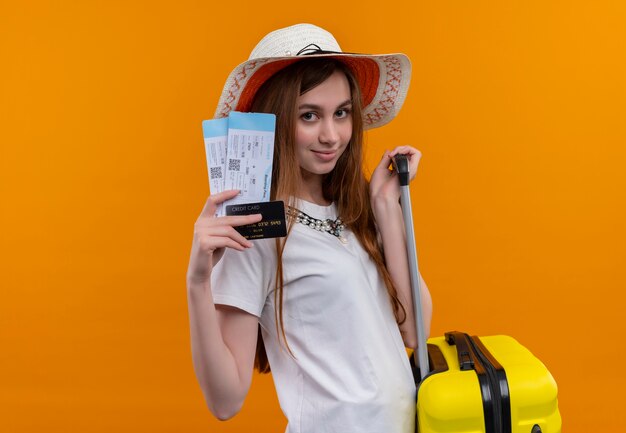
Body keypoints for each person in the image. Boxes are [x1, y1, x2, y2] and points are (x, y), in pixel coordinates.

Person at [186, 23, 432, 433]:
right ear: (277, 120)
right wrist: (197, 282)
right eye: (309, 115)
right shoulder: (257, 227)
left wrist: (386, 207)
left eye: (341, 113)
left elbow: (415, 329)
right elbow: (225, 401)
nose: (331, 135)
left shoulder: (354, 214)